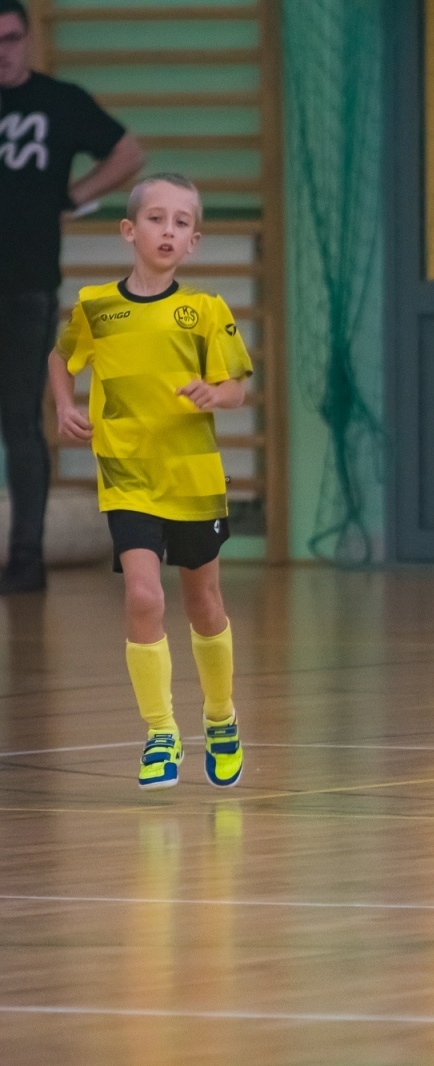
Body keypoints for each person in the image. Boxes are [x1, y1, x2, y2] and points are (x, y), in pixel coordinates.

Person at [47, 173, 252, 790]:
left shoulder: (205, 311)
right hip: (127, 475)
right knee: (143, 596)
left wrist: (212, 393)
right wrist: (64, 405)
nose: (169, 230)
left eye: (182, 222)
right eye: (157, 219)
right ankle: (161, 731)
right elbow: (61, 356)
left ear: (194, 241)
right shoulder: (94, 308)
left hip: (192, 479)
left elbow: (238, 389)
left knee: (203, 603)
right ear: (129, 231)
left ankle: (220, 717)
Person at [0, 0, 145, 594]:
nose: (1, 52)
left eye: (9, 38)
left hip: (26, 286)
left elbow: (130, 151)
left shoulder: (59, 101)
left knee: (19, 422)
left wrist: (75, 195)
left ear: (27, 39)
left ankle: (26, 561)